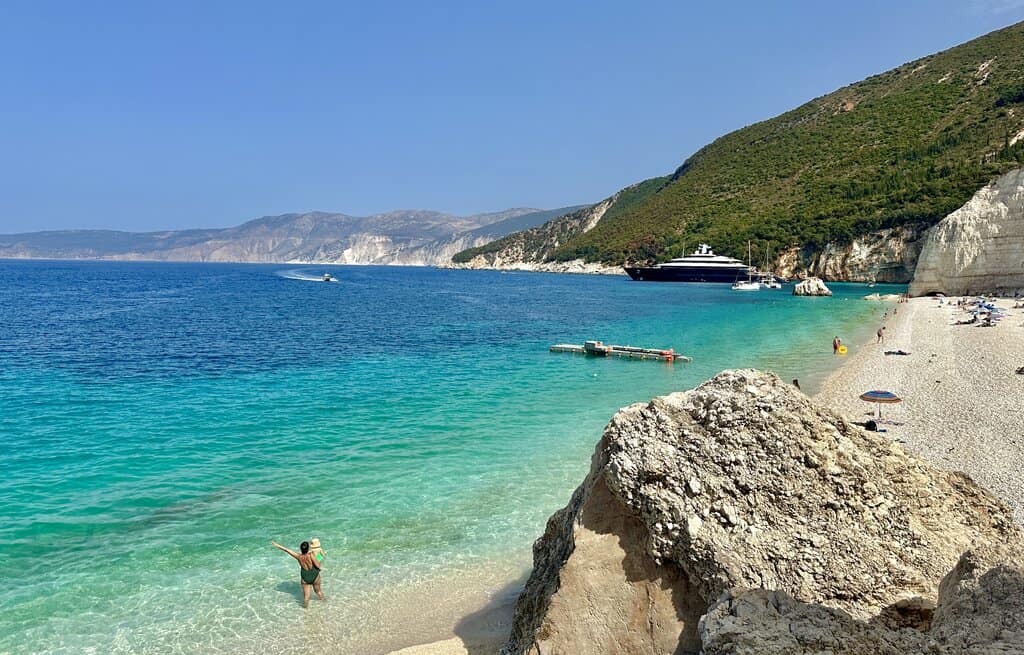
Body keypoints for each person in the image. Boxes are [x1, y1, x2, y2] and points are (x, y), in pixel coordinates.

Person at [272, 540, 325, 607]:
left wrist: (277, 545)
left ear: (301, 549)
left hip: (305, 578)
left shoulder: (298, 556)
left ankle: (306, 611)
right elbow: (317, 565)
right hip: (315, 576)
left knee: (306, 597)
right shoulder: (311, 555)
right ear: (308, 548)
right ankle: (325, 603)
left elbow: (287, 550)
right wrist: (320, 556)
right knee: (318, 592)